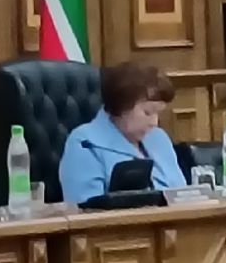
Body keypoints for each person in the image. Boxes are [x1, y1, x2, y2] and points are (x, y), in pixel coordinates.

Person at [59, 61, 185, 203]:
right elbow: (85, 208)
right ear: (121, 107)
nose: (154, 122)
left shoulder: (158, 137)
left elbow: (182, 194)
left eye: (158, 113)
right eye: (147, 112)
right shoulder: (85, 143)